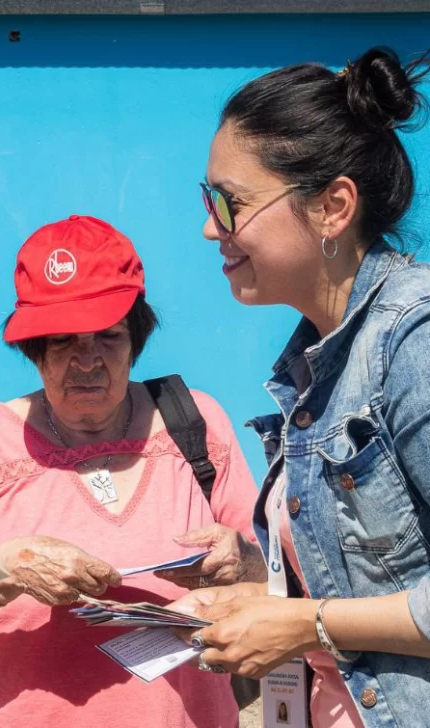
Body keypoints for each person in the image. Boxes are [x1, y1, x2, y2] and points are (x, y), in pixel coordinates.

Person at [0, 214, 264, 728]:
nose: (86, 361)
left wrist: (244, 563)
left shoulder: (195, 425)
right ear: (33, 349)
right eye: (62, 340)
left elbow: (281, 577)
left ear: (136, 337)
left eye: (108, 337)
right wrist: (4, 574)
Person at [170, 46, 430, 728]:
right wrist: (259, 587)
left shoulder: (414, 342)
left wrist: (303, 624)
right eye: (207, 200)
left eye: (229, 202)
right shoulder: (314, 364)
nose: (209, 227)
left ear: (332, 208)